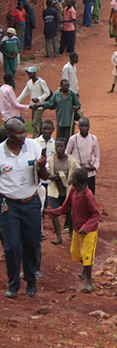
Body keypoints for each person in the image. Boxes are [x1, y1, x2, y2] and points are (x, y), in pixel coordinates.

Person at [0, 119, 50, 298]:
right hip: (9, 205)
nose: (24, 136)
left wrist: (42, 166)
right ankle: (13, 285)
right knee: (11, 246)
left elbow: (46, 176)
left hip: (31, 202)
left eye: (24, 132)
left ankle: (31, 279)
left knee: (32, 243)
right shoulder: (0, 153)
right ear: (8, 134)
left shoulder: (33, 146)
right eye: (19, 133)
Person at [45, 168, 101, 293]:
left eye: (71, 177)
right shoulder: (73, 191)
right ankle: (85, 267)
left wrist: (86, 227)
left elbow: (96, 214)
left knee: (87, 254)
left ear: (75, 180)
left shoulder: (88, 195)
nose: (69, 179)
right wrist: (49, 212)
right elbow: (65, 208)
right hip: (78, 229)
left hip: (90, 230)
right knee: (75, 253)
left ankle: (89, 282)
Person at [46, 137, 78, 246]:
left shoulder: (71, 160)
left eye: (61, 146)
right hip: (54, 189)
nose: (59, 148)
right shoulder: (50, 160)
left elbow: (78, 171)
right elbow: (45, 174)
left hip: (67, 190)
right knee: (53, 212)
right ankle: (58, 236)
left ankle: (71, 232)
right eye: (57, 146)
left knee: (69, 212)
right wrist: (51, 177)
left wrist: (72, 180)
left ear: (65, 147)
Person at [66, 117, 100, 196]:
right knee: (77, 196)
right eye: (82, 126)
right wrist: (76, 166)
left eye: (86, 126)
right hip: (77, 174)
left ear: (89, 126)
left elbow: (97, 155)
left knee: (90, 195)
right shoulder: (73, 139)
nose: (84, 128)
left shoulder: (93, 139)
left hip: (90, 173)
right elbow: (67, 154)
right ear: (78, 126)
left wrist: (94, 167)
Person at [17, 67, 50, 137]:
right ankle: (42, 136)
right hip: (33, 106)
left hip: (40, 106)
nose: (29, 75)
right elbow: (24, 94)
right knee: (38, 122)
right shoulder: (29, 83)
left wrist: (39, 99)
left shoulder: (41, 82)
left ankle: (35, 138)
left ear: (35, 73)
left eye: (31, 73)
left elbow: (47, 93)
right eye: (28, 73)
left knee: (35, 122)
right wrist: (16, 102)